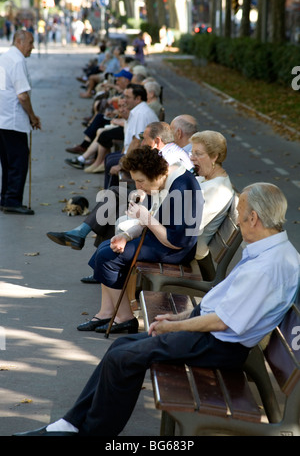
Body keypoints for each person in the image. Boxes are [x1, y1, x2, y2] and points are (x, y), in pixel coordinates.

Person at [14, 182, 300, 436]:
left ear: (254, 217)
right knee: (122, 347)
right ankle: (69, 425)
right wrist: (180, 316)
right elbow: (226, 302)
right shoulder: (272, 251)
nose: (237, 218)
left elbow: (223, 322)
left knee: (123, 357)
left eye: (240, 212)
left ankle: (91, 431)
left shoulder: (268, 267)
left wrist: (174, 326)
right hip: (215, 334)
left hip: (218, 345)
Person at [76, 145, 202, 333]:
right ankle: (107, 312)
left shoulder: (183, 186)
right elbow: (149, 220)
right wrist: (125, 236)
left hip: (175, 249)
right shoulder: (159, 182)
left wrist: (146, 219)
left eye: (140, 181)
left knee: (108, 257)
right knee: (106, 247)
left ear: (156, 173)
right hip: (159, 238)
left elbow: (177, 241)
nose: (138, 187)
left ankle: (125, 318)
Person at [0, 30, 41, 215]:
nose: (33, 46)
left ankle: (6, 197)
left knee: (8, 161)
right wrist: (32, 117)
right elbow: (22, 95)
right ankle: (12, 200)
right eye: (30, 42)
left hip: (3, 118)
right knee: (18, 161)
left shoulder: (5, 57)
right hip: (13, 120)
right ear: (19, 41)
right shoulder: (17, 61)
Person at [189, 130, 234, 260]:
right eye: (192, 153)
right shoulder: (206, 178)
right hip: (182, 243)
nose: (192, 157)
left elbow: (191, 227)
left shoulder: (217, 189)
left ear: (214, 156)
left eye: (198, 154)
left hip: (189, 251)